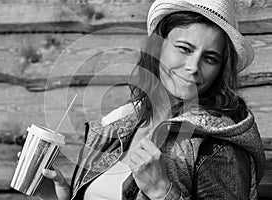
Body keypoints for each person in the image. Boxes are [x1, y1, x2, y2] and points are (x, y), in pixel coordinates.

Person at [36, 0, 266, 199]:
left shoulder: (217, 147)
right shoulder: (121, 124)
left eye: (210, 58)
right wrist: (61, 196)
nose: (193, 67)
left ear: (220, 70)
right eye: (184, 49)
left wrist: (161, 192)